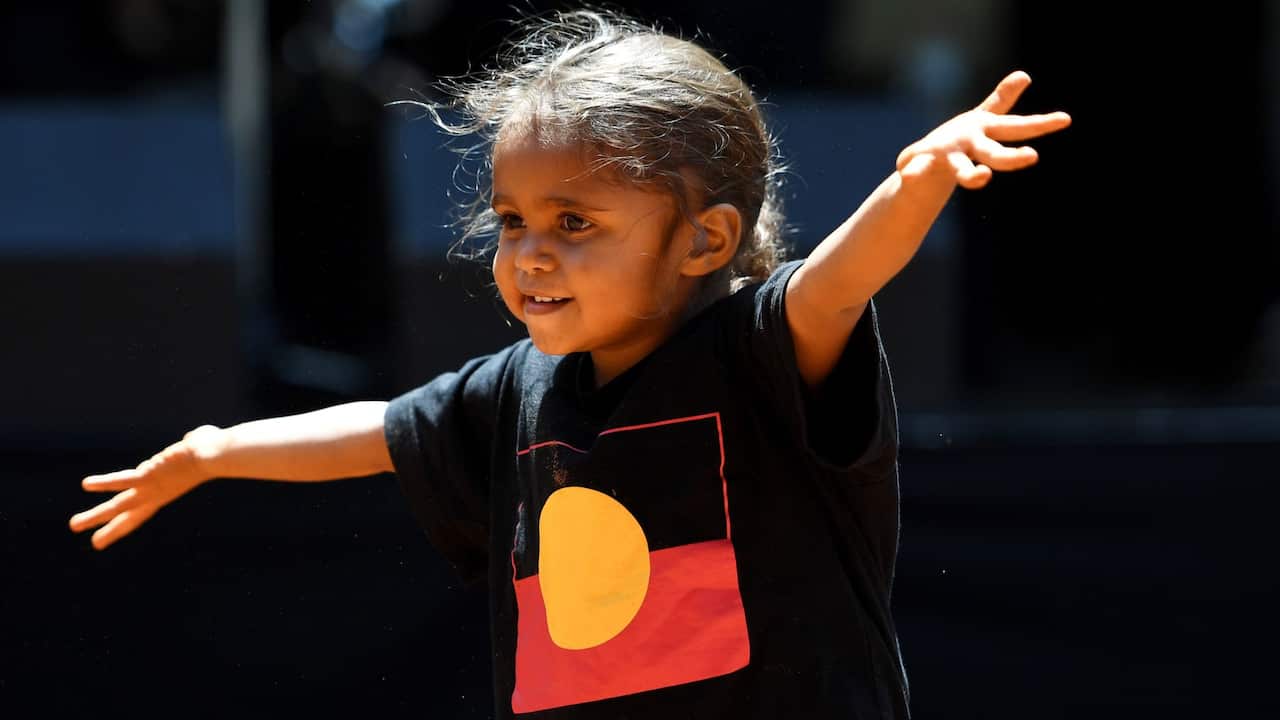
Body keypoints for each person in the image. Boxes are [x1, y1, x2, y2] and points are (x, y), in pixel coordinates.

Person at [68, 9, 1069, 718]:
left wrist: (916, 182)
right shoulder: (518, 389)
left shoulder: (754, 348)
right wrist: (211, 449)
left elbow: (837, 284)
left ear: (704, 242)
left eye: (574, 222)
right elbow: (376, 431)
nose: (527, 251)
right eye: (512, 220)